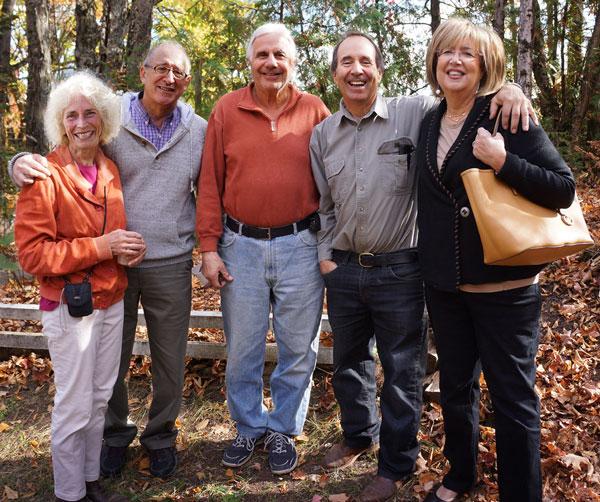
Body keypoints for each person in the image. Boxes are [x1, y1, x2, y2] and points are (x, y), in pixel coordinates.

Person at [309, 31, 535, 502]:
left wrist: (510, 87)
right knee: (348, 362)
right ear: (334, 73)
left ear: (379, 70)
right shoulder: (322, 134)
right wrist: (327, 257)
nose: (356, 70)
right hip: (346, 268)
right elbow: (324, 205)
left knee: (401, 370)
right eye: (346, 62)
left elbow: (469, 94)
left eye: (365, 61)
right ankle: (357, 435)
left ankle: (395, 463)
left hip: (402, 269)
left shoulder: (415, 114)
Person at [9, 41, 207, 479]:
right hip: (107, 269)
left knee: (170, 361)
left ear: (186, 81)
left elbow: (209, 195)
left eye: (177, 71)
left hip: (170, 262)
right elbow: (65, 151)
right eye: (160, 67)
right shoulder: (106, 113)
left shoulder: (199, 130)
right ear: (143, 71)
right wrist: (20, 161)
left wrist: (207, 248)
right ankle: (115, 436)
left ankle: (159, 437)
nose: (168, 77)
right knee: (109, 365)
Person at [416, 18, 575, 502]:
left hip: (507, 293)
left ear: (485, 65)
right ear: (435, 62)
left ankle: (521, 494)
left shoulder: (507, 116)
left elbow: (563, 189)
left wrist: (504, 161)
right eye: (447, 52)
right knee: (456, 391)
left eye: (469, 53)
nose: (456, 60)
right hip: (447, 290)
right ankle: (461, 475)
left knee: (513, 402)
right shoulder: (428, 121)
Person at [196, 23, 330, 475]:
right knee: (243, 347)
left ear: (293, 63)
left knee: (298, 347)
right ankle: (249, 427)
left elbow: (336, 180)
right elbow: (210, 184)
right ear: (250, 62)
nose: (271, 63)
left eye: (280, 56)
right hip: (240, 246)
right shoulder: (226, 110)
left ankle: (283, 430)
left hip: (301, 244)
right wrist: (209, 248)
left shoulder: (315, 110)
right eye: (263, 55)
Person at [14, 72, 146, 502]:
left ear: (103, 119)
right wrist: (102, 246)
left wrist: (123, 251)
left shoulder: (108, 169)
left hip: (112, 299)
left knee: (101, 397)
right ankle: (69, 493)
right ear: (60, 122)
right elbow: (33, 256)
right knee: (74, 402)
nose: (81, 122)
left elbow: (109, 238)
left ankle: (90, 481)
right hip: (69, 307)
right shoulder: (44, 174)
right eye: (71, 114)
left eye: (90, 113)